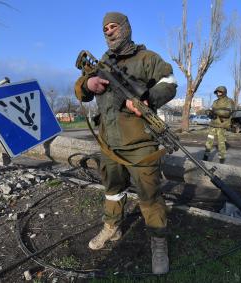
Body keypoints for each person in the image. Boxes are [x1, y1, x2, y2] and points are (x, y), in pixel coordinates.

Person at [74, 12, 177, 275]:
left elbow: (170, 82)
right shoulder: (102, 63)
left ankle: (158, 243)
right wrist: (89, 83)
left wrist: (147, 100)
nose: (109, 31)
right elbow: (80, 89)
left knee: (150, 196)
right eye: (105, 28)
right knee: (112, 189)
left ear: (126, 28)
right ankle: (112, 227)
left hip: (141, 143)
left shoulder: (147, 58)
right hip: (109, 143)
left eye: (113, 27)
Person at [202, 86, 235, 164]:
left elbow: (228, 113)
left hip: (222, 125)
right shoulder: (215, 102)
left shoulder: (229, 101)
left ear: (224, 92)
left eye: (220, 92)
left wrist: (216, 112)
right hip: (213, 124)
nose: (218, 93)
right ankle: (205, 156)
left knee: (221, 143)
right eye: (217, 92)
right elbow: (212, 110)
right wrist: (209, 113)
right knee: (208, 142)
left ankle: (222, 159)